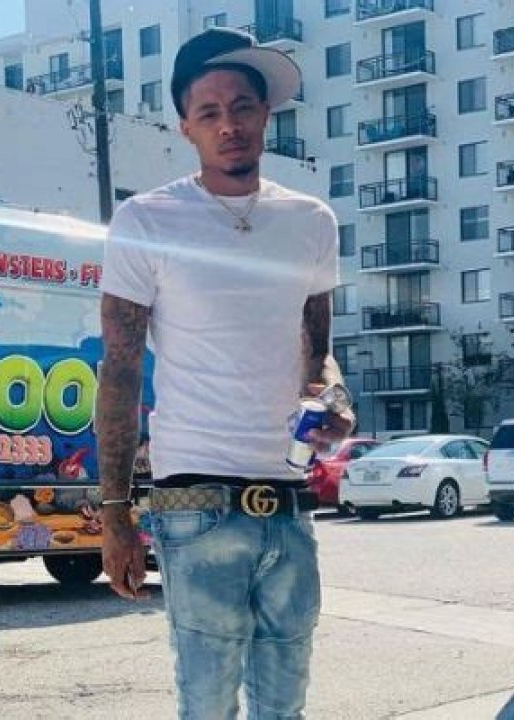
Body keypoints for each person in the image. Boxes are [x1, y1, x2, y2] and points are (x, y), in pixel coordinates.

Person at [96, 27, 355, 719]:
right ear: (186, 126)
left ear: (265, 113)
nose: (228, 125)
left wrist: (334, 399)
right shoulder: (147, 220)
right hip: (195, 504)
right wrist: (115, 514)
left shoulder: (311, 221)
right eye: (208, 112)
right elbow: (119, 371)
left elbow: (318, 351)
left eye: (242, 106)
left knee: (285, 706)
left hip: (289, 499)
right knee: (207, 705)